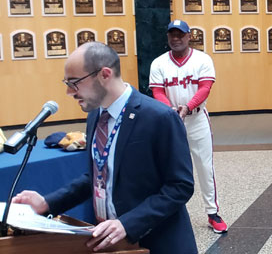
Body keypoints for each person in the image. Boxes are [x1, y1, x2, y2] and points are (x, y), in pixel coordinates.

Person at [13, 42, 197, 253]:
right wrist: (47, 203)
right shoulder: (95, 116)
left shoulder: (159, 117)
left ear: (105, 75)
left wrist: (128, 223)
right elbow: (96, 176)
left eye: (74, 83)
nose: (68, 92)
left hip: (156, 242)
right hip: (110, 243)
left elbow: (179, 186)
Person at [149, 20, 228, 234]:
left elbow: (205, 88)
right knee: (168, 168)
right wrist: (171, 111)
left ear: (188, 36)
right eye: (172, 34)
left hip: (196, 119)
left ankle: (212, 213)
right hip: (170, 121)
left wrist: (188, 107)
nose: (176, 38)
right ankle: (166, 212)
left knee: (204, 166)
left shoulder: (202, 59)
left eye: (180, 34)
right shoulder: (158, 63)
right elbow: (157, 92)